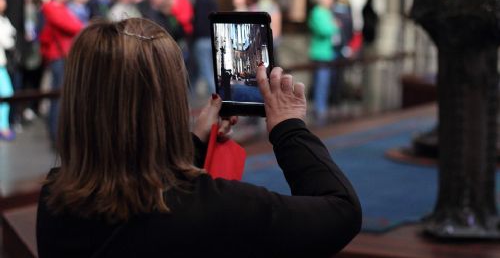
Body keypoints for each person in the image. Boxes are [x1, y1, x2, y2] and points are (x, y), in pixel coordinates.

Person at [36, 18, 361, 258]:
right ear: (172, 99)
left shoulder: (55, 197)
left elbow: (138, 198)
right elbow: (341, 212)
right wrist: (289, 128)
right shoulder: (216, 207)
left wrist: (192, 144)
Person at [39, 0, 84, 143]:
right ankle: (55, 135)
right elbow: (72, 26)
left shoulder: (62, 7)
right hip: (57, 55)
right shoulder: (51, 6)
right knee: (58, 95)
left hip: (64, 53)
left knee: (62, 94)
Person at [308, 0, 340, 123]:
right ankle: (319, 109)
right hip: (320, 53)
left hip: (328, 52)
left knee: (326, 82)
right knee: (321, 82)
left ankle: (322, 107)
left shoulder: (326, 12)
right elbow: (325, 30)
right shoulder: (317, 13)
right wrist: (334, 26)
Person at [192, 0, 218, 95]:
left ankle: (216, 94)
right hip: (208, 38)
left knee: (206, 69)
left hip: (203, 38)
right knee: (209, 69)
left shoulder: (203, 0)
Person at [0, 0, 16, 140]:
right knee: (6, 93)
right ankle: (3, 127)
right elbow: (7, 42)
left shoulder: (4, 19)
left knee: (6, 93)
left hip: (1, 64)